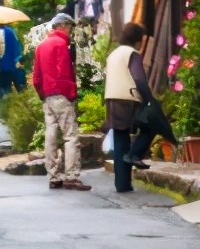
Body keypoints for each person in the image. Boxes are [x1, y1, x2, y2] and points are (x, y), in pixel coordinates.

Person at [106, 22, 177, 193]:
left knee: (120, 139)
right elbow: (138, 78)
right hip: (129, 102)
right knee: (151, 125)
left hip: (111, 101)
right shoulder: (132, 54)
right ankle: (135, 154)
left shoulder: (113, 54)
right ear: (137, 41)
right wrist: (149, 99)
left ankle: (122, 184)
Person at [32, 13, 90, 191]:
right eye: (70, 27)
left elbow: (36, 77)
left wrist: (42, 93)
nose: (71, 31)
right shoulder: (61, 44)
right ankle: (72, 175)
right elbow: (64, 72)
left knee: (51, 134)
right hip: (61, 94)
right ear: (64, 26)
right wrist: (71, 93)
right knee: (70, 136)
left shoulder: (42, 46)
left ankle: (53, 175)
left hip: (47, 95)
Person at [0, 22, 23, 105]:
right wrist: (17, 60)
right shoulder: (10, 31)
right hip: (9, 65)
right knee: (6, 87)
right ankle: (6, 106)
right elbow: (17, 47)